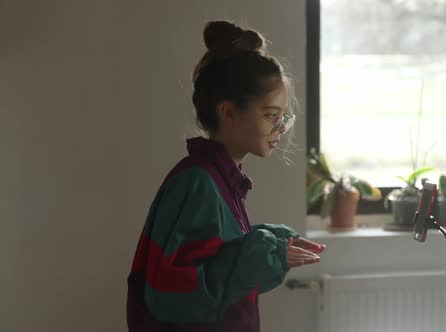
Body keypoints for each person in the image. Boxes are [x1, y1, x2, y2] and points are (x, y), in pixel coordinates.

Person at [126, 20, 326, 332]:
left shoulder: (220, 178)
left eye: (283, 117)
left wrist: (274, 242)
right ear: (229, 112)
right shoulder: (196, 182)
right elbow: (167, 294)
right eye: (270, 115)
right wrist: (262, 254)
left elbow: (212, 255)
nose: (280, 128)